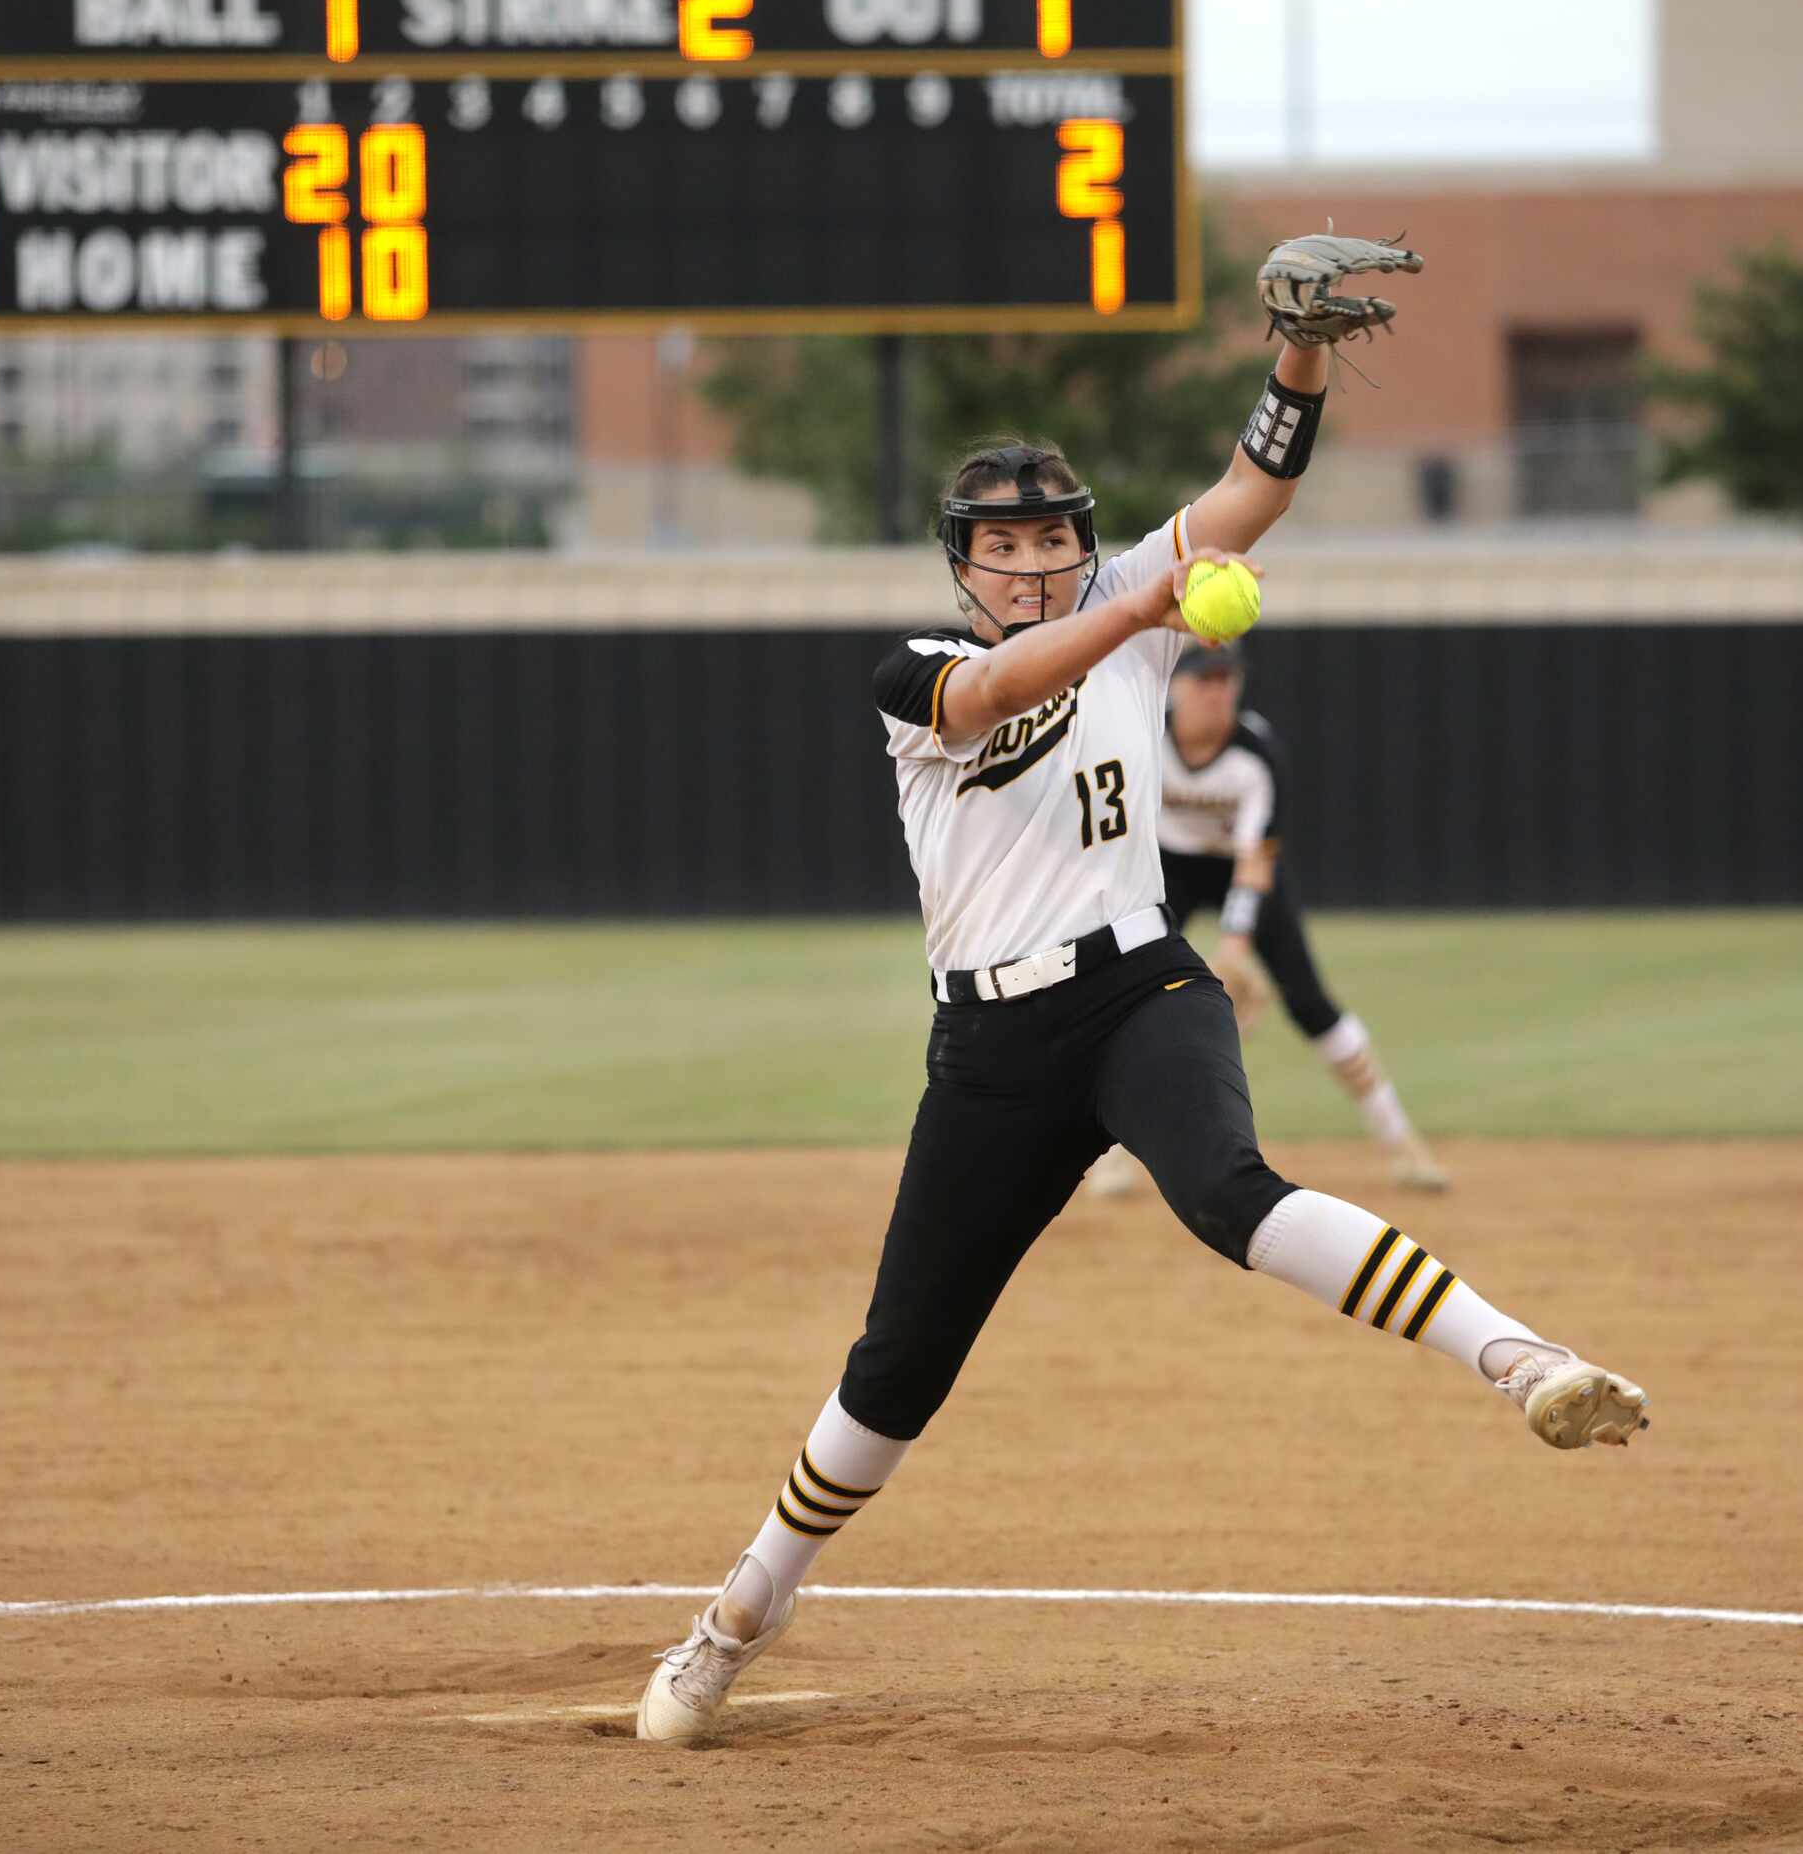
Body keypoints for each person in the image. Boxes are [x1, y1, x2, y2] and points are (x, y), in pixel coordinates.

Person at [635, 260, 1650, 1746]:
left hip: (1137, 984)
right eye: (1003, 542)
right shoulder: (911, 671)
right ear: (960, 567)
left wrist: (1295, 365)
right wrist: (1134, 613)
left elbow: (1248, 496)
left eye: (1054, 536)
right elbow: (996, 697)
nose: (1034, 560)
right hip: (986, 1051)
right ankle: (739, 1613)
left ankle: (1521, 1358)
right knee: (896, 1366)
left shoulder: (1130, 593)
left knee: (1226, 1187)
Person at [1087, 639, 1449, 1198]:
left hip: (1242, 868)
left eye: (1226, 680)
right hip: (1166, 870)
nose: (1217, 692)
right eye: (1203, 680)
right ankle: (1108, 1155)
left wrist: (1233, 946)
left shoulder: (1254, 752)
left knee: (1308, 1002)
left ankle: (1401, 1142)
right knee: (1121, 999)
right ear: (1174, 686)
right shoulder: (1142, 733)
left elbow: (1256, 859)